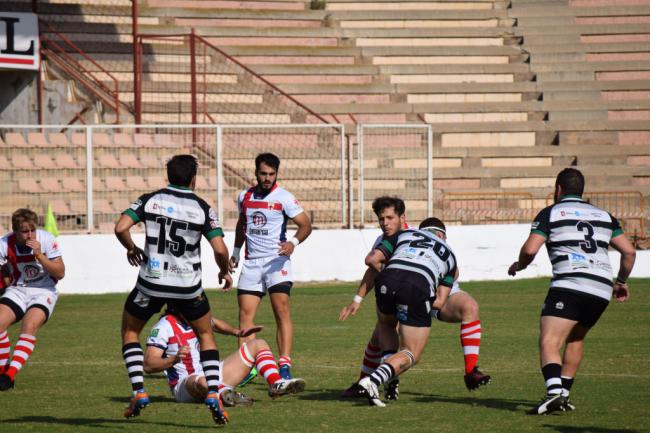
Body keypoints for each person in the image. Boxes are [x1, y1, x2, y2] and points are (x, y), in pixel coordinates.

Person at [115, 154, 233, 425]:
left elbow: (121, 227)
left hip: (152, 282)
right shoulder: (203, 207)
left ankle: (139, 391)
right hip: (187, 287)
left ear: (168, 176)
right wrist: (224, 270)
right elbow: (219, 248)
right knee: (205, 334)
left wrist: (131, 248)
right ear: (194, 178)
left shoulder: (150, 199)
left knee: (131, 332)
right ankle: (213, 393)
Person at [508, 168, 636, 415]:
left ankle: (554, 393)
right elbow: (629, 252)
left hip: (570, 284)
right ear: (582, 190)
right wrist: (621, 281)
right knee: (576, 338)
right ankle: (564, 396)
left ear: (558, 189)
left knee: (549, 340)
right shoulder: (604, 215)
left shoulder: (551, 213)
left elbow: (531, 249)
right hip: (600, 288)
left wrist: (520, 265)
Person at [340, 207, 490, 398]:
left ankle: (471, 371)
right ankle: (370, 381)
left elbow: (372, 264)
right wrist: (358, 298)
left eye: (390, 218)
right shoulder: (391, 238)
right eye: (382, 219)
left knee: (470, 307)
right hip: (413, 290)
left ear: (402, 218)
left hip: (430, 294)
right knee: (382, 333)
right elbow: (372, 268)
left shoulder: (410, 238)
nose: (386, 223)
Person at [357, 218, 458, 407]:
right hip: (417, 285)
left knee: (386, 324)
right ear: (443, 236)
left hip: (387, 278)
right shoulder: (451, 256)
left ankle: (390, 377)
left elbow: (372, 259)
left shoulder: (404, 233)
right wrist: (419, 302)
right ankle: (373, 380)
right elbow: (439, 302)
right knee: (412, 352)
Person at [229, 153, 312, 381]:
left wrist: (292, 243)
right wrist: (235, 252)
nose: (267, 178)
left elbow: (305, 224)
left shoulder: (284, 197)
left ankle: (284, 363)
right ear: (256, 173)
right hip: (252, 263)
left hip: (276, 261)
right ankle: (246, 367)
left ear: (277, 174)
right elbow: (241, 224)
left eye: (271, 174)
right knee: (245, 317)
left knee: (281, 311)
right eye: (263, 173)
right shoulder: (244, 196)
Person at [144, 307, 305, 407]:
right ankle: (226, 393)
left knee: (259, 344)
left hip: (212, 373)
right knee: (202, 380)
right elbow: (148, 364)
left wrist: (238, 332)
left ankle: (275, 384)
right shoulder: (163, 326)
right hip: (184, 385)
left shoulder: (195, 317)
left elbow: (214, 323)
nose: (196, 303)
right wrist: (174, 359)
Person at [0, 208, 65, 391]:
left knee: (29, 326)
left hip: (44, 291)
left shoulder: (45, 239)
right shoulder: (5, 243)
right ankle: (3, 372)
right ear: (15, 230)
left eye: (32, 230)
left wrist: (39, 255)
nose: (29, 234)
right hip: (18, 290)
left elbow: (60, 273)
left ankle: (9, 375)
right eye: (24, 231)